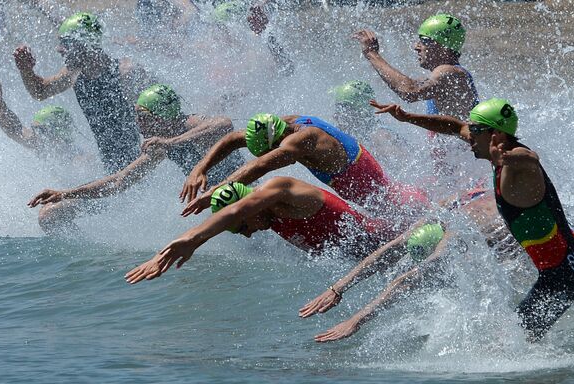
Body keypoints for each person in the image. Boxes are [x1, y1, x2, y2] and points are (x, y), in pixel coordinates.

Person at [372, 97, 574, 341]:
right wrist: (407, 117)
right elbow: (453, 125)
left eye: (475, 131)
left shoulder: (519, 163)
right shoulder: (492, 145)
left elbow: (532, 158)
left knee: (511, 348)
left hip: (561, 274)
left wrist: (506, 158)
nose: (469, 137)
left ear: (497, 135)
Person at [301, 187, 522, 342]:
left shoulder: (453, 237)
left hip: (516, 238)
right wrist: (338, 288)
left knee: (500, 285)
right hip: (493, 201)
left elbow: (406, 280)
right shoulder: (443, 212)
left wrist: (356, 320)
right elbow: (388, 249)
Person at [27, 84, 244, 233]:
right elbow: (119, 181)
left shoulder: (190, 124)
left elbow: (223, 124)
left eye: (143, 117)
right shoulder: (160, 145)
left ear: (161, 117)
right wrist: (65, 193)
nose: (138, 124)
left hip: (243, 191)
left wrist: (171, 142)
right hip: (218, 202)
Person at [125, 177, 399, 285]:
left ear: (251, 208)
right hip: (373, 264)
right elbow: (235, 211)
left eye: (244, 227)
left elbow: (235, 211)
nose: (247, 234)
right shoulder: (268, 217)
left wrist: (189, 241)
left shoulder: (285, 191)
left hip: (393, 244)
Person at [180, 113, 428, 222]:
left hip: (377, 192)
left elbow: (259, 166)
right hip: (373, 180)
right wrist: (199, 169)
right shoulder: (282, 125)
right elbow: (233, 138)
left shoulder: (300, 141)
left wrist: (215, 190)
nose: (270, 154)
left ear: (275, 143)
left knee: (400, 220)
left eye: (270, 150)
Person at [13, 12, 156, 173]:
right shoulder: (74, 74)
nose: (59, 49)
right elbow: (40, 92)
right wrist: (26, 70)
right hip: (110, 166)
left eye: (65, 43)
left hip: (141, 165)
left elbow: (167, 117)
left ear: (85, 44)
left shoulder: (127, 73)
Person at [353, 14, 479, 178]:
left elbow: (409, 90)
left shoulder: (449, 72)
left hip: (467, 178)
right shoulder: (446, 77)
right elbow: (408, 85)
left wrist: (372, 54)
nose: (416, 46)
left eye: (424, 41)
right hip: (456, 175)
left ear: (444, 46)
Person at [0, 78, 83, 162]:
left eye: (40, 131)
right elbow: (13, 129)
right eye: (34, 129)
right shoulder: (41, 145)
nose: (35, 135)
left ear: (58, 134)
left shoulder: (78, 159)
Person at [331, 80, 410, 168]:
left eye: (343, 110)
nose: (336, 116)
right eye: (337, 109)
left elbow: (404, 161)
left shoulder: (379, 135)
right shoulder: (361, 132)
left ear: (361, 111)